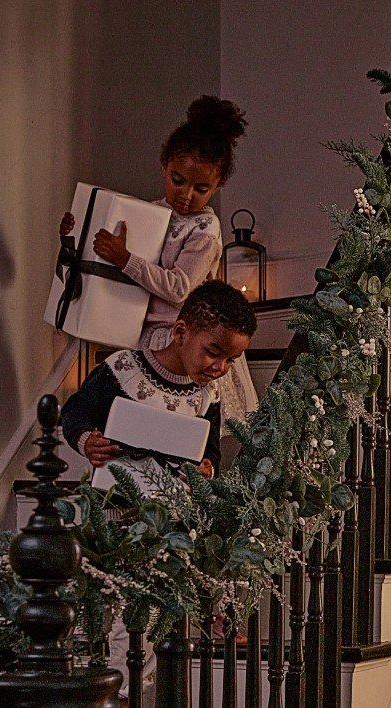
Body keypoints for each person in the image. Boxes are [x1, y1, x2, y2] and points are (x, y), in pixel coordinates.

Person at [60, 280, 257, 703]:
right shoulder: (124, 368)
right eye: (214, 351)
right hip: (115, 510)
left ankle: (136, 688)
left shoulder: (209, 393)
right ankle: (105, 689)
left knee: (148, 614)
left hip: (166, 519)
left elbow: (209, 450)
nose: (219, 367)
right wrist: (86, 439)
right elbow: (76, 411)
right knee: (110, 609)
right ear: (181, 332)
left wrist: (207, 468)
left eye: (231, 359)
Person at [59, 95, 258, 444]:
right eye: (178, 180)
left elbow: (179, 287)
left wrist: (126, 259)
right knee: (137, 425)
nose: (186, 195)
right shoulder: (150, 214)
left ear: (218, 185)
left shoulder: (204, 230)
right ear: (164, 165)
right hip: (142, 333)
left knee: (184, 430)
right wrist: (74, 236)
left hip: (182, 337)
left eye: (201, 188)